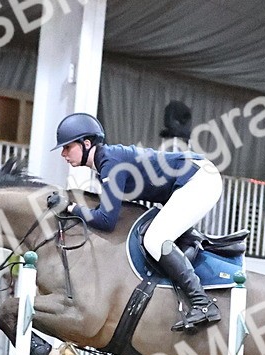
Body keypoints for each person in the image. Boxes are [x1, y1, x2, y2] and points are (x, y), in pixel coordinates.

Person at [53, 112, 222, 333]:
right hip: (191, 179)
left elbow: (106, 220)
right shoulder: (106, 163)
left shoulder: (110, 163)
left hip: (198, 179)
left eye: (67, 147)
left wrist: (72, 208)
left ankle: (202, 303)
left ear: (86, 143)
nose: (63, 154)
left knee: (155, 239)